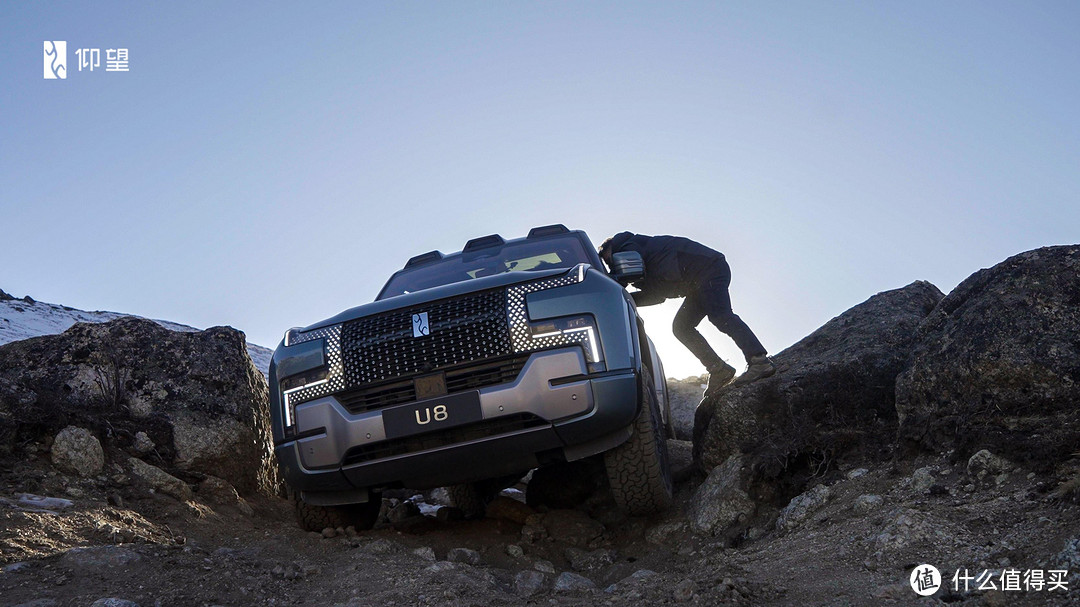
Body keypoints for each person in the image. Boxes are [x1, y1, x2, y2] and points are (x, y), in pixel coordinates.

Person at [598, 232, 776, 396]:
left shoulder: (627, 245)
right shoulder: (642, 263)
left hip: (708, 269)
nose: (611, 264)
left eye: (609, 260)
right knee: (681, 327)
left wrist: (612, 283)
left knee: (720, 315)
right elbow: (656, 296)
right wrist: (625, 298)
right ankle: (718, 369)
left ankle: (759, 361)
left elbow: (625, 268)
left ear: (613, 248)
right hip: (696, 282)